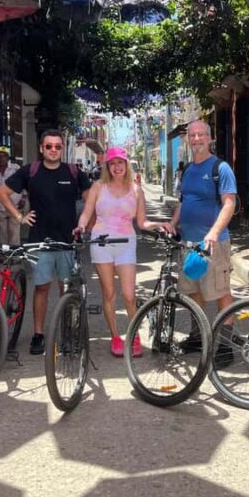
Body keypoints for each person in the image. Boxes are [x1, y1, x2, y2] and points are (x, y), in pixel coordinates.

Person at [0, 129, 91, 355]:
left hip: (68, 241)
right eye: (49, 146)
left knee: (67, 289)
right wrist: (20, 217)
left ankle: (67, 333)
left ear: (62, 149)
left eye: (58, 146)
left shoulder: (73, 172)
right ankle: (38, 334)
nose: (53, 150)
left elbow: (91, 199)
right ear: (41, 148)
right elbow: (2, 193)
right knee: (42, 288)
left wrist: (86, 223)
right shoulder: (30, 171)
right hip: (40, 241)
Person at [76, 146, 166, 357]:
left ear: (126, 165)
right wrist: (81, 226)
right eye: (112, 163)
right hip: (101, 242)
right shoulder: (98, 186)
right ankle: (115, 336)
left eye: (120, 163)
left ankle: (134, 335)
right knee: (108, 293)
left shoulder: (136, 190)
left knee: (128, 295)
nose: (117, 167)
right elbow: (87, 212)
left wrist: (160, 224)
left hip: (126, 242)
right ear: (107, 166)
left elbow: (142, 222)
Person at [169, 120, 237, 355]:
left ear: (209, 138)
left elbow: (229, 203)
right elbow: (183, 201)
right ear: (188, 139)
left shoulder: (220, 168)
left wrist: (214, 232)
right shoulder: (187, 169)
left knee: (220, 293)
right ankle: (197, 337)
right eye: (192, 135)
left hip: (214, 244)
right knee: (193, 291)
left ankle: (225, 346)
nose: (196, 139)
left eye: (201, 135)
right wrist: (172, 223)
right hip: (188, 243)